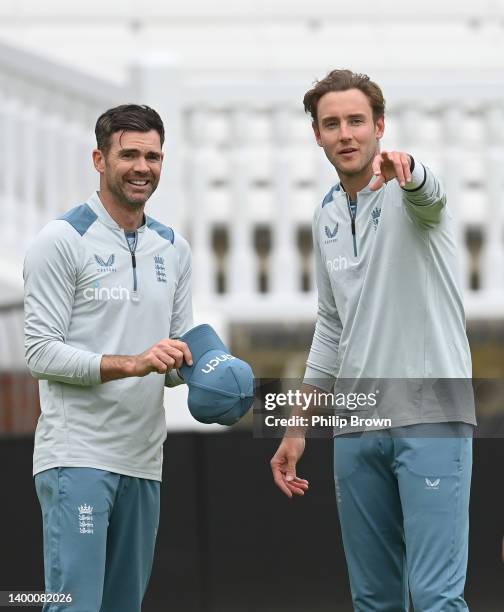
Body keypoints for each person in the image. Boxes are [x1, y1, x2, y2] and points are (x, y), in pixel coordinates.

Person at [270, 70, 476, 610]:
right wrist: (297, 427)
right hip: (356, 424)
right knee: (373, 600)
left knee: (435, 598)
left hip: (431, 413)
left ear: (380, 126)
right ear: (317, 134)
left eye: (357, 121)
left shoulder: (412, 191)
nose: (346, 134)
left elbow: (428, 193)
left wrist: (408, 173)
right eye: (332, 123)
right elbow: (332, 326)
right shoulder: (325, 214)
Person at [24, 104, 193, 612]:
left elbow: (178, 354)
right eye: (129, 155)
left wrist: (212, 374)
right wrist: (133, 363)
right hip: (77, 457)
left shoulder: (174, 248)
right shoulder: (61, 240)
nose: (143, 167)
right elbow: (38, 351)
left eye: (153, 156)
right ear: (99, 159)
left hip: (144, 460)